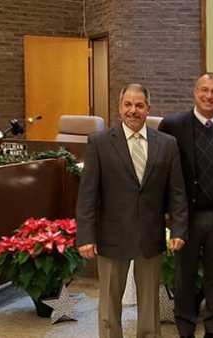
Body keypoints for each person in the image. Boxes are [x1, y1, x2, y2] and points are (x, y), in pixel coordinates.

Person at [76, 83, 188, 338]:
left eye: (139, 105)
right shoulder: (100, 143)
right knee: (109, 304)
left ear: (148, 108)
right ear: (119, 107)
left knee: (150, 304)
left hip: (150, 235)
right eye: (128, 104)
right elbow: (87, 196)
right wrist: (85, 235)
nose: (133, 110)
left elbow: (177, 192)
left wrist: (179, 228)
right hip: (111, 236)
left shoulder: (167, 144)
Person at [158, 73, 213, 338]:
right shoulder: (173, 125)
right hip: (186, 216)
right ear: (194, 92)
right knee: (185, 277)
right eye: (204, 90)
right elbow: (162, 172)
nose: (209, 96)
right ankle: (185, 328)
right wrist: (167, 213)